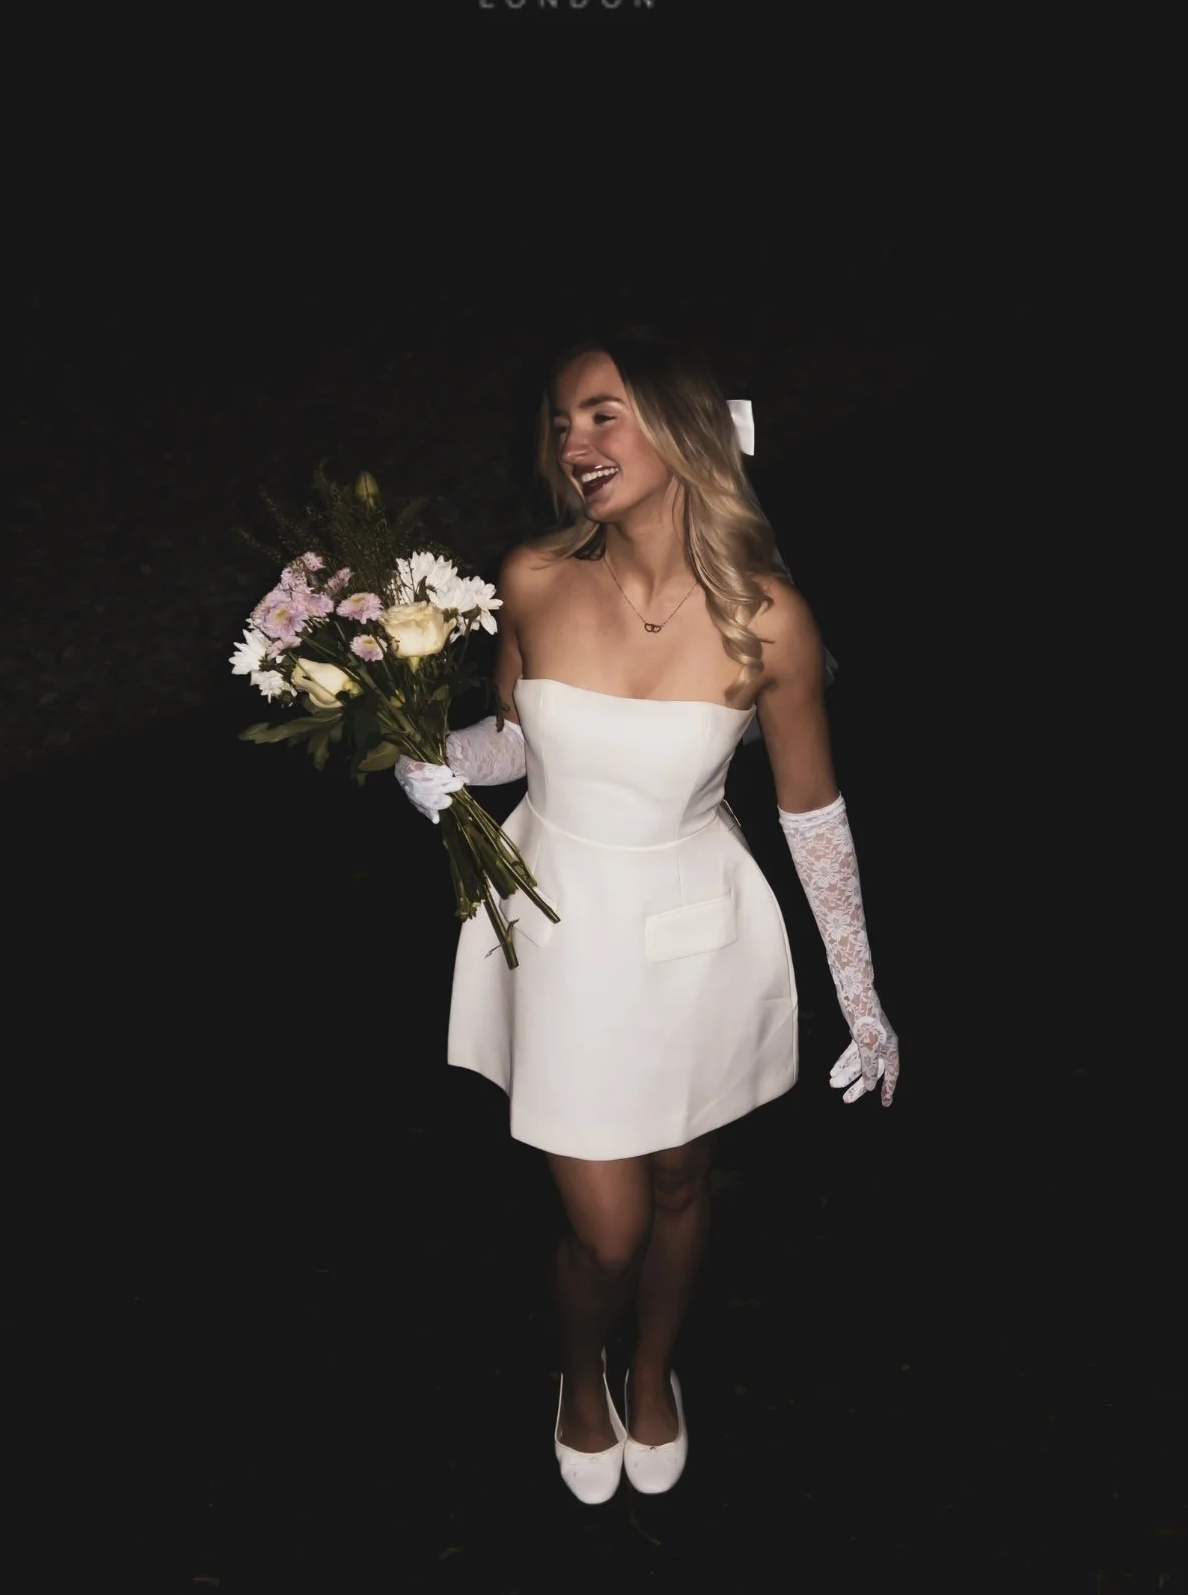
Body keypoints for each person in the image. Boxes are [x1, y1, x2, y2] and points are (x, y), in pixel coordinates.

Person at [395, 326, 899, 1505]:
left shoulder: (770, 619)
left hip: (695, 932)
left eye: (602, 413)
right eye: (563, 422)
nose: (575, 441)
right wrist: (435, 761)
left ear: (680, 429)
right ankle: (581, 1372)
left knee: (680, 1182)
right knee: (607, 1230)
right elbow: (519, 739)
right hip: (560, 932)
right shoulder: (531, 577)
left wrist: (863, 996)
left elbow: (813, 816)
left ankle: (656, 1367)